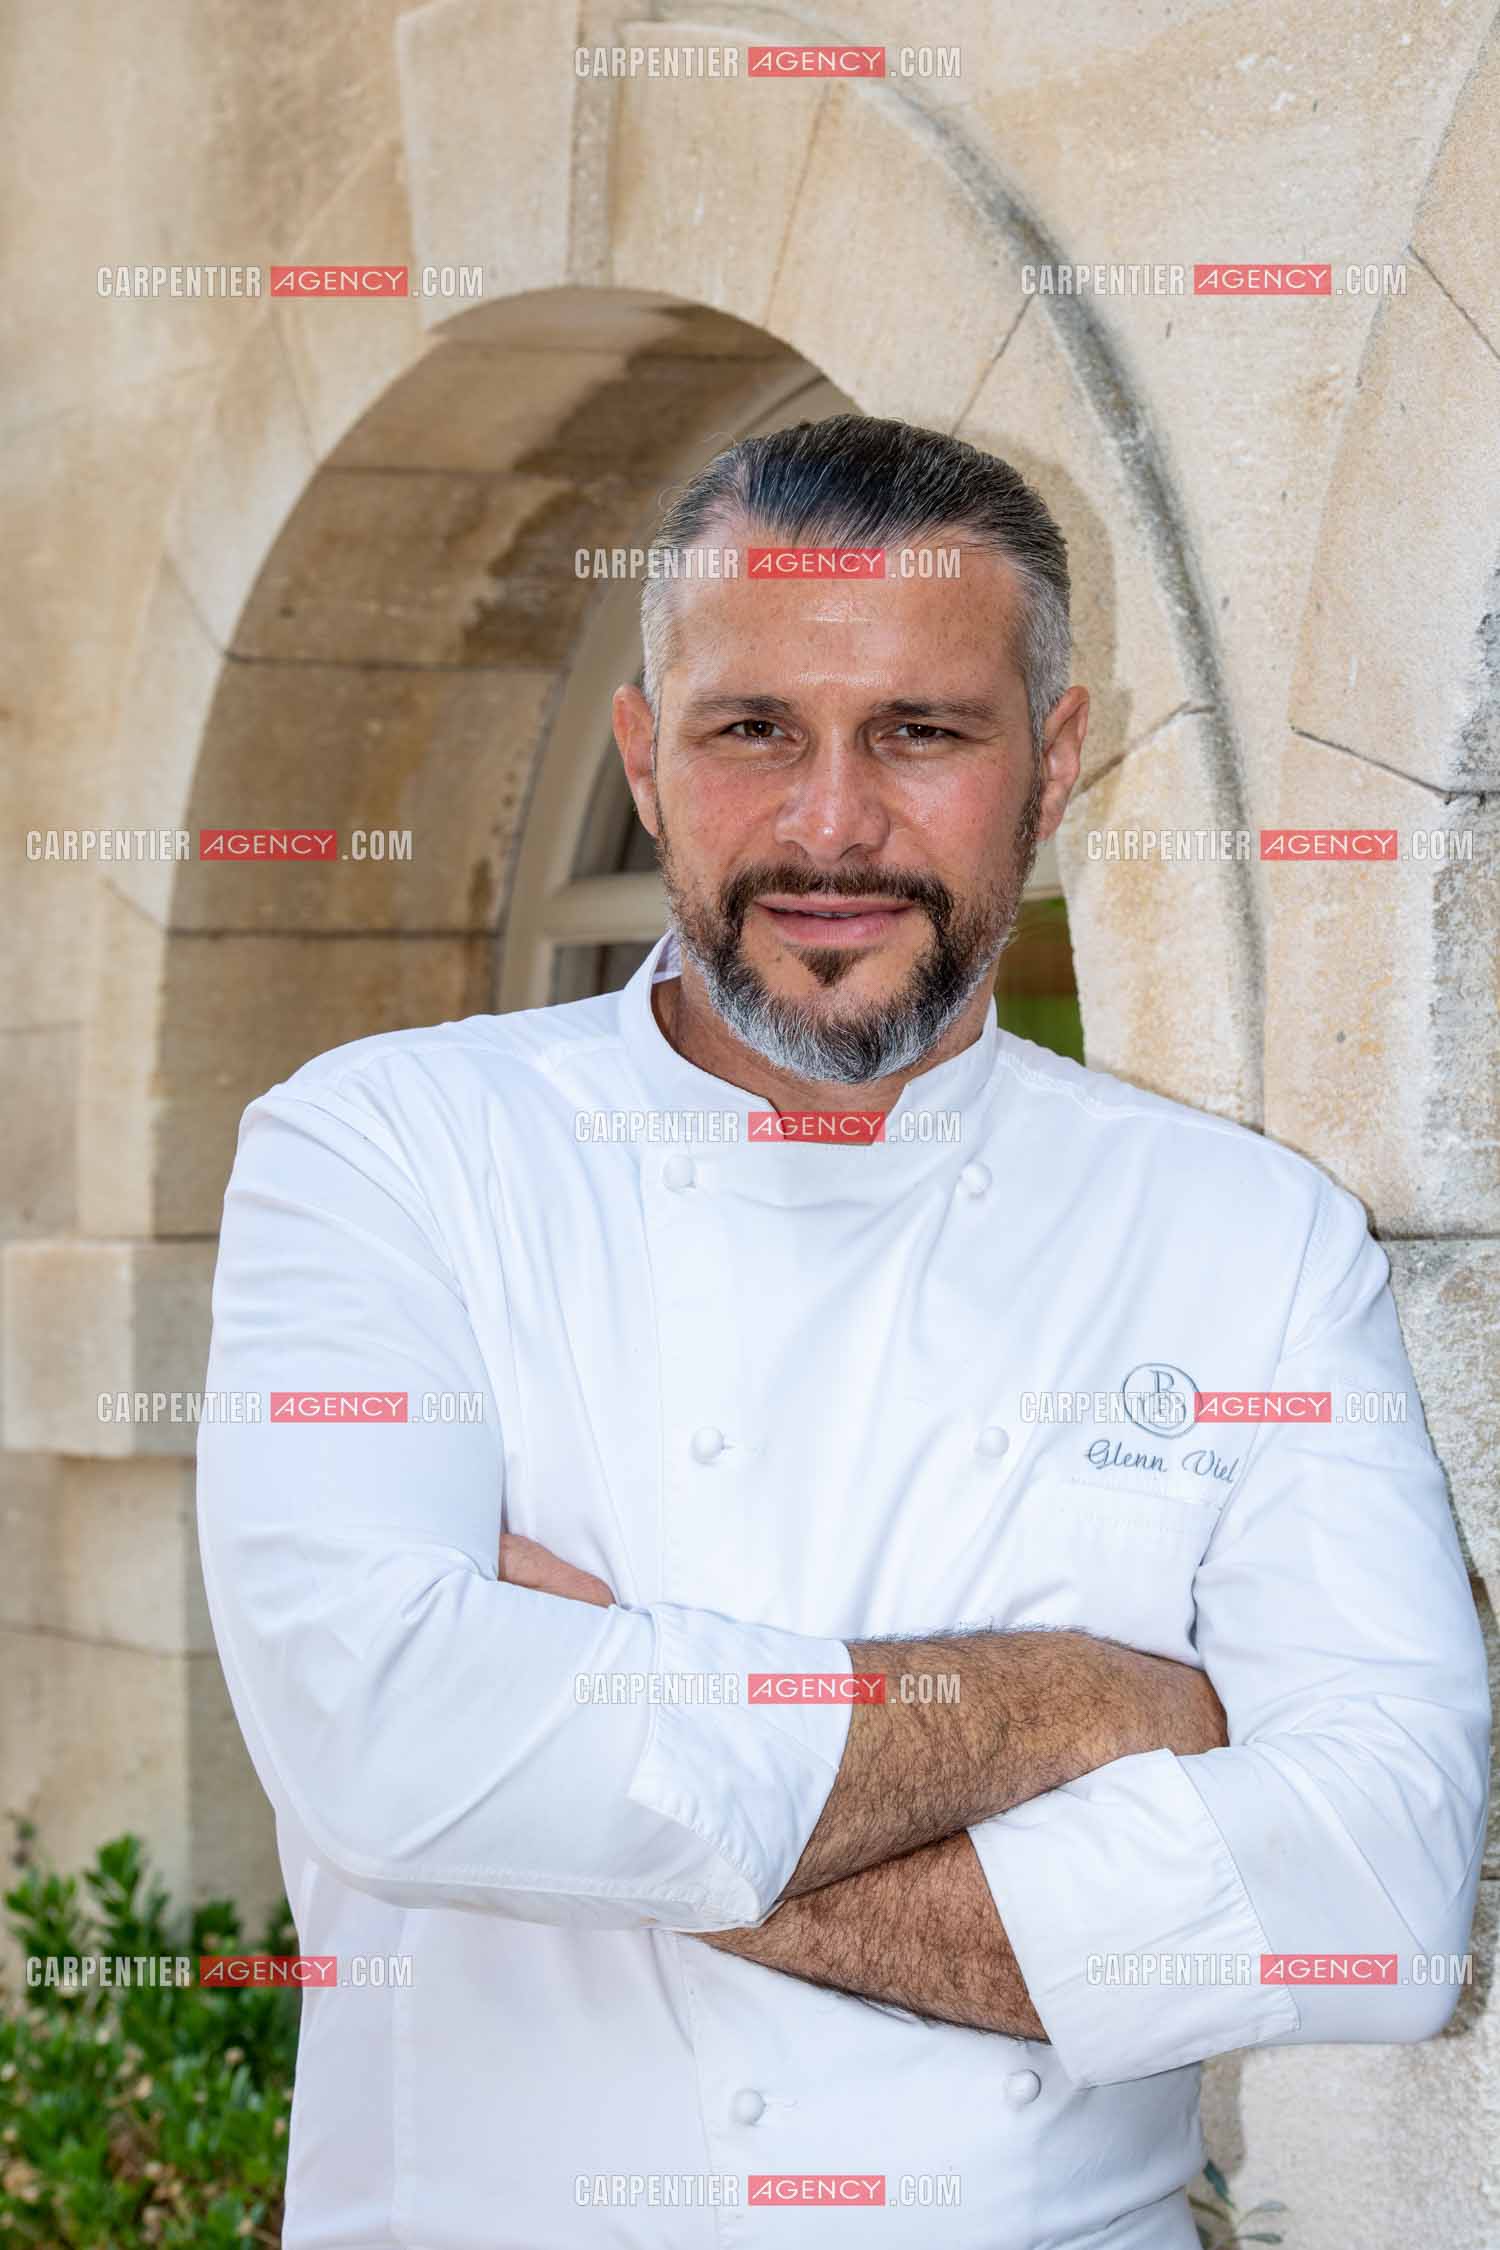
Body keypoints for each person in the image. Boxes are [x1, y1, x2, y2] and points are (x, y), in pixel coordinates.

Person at [196, 414, 1489, 2250]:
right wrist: (1068, 1705)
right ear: (645, 759)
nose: (829, 823)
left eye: (919, 733)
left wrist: (600, 1763)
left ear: (1053, 760)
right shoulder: (388, 1150)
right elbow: (392, 1741)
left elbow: (1383, 1888)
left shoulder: (1245, 1241)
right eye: (754, 732)